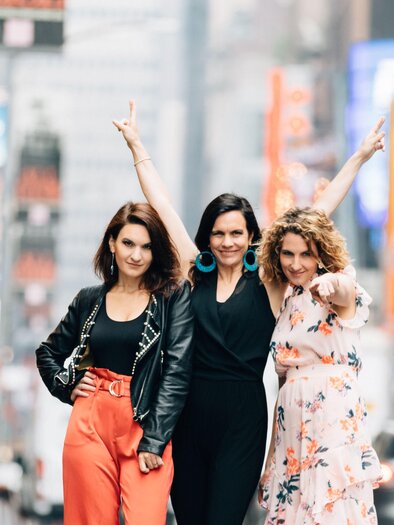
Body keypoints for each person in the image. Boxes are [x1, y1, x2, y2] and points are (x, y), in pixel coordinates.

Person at [113, 101, 384, 525]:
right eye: (218, 233)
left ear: (252, 236)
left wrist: (359, 157)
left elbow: (316, 213)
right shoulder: (194, 271)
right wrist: (136, 147)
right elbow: (162, 207)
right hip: (190, 412)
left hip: (243, 416)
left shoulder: (269, 282)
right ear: (208, 237)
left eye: (237, 233)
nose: (226, 242)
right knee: (190, 516)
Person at [36, 202, 194, 525]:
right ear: (112, 243)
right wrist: (67, 386)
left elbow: (177, 372)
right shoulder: (89, 299)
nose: (137, 255)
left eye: (147, 247)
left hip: (144, 421)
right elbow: (47, 353)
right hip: (90, 420)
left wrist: (155, 439)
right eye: (128, 243)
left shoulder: (171, 298)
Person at [257, 207, 382, 524]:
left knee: (330, 511)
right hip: (291, 427)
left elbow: (343, 290)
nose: (295, 264)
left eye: (306, 254)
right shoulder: (287, 300)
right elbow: (284, 386)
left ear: (321, 254)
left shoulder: (339, 284)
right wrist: (272, 459)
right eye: (288, 253)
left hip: (331, 418)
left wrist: (330, 284)